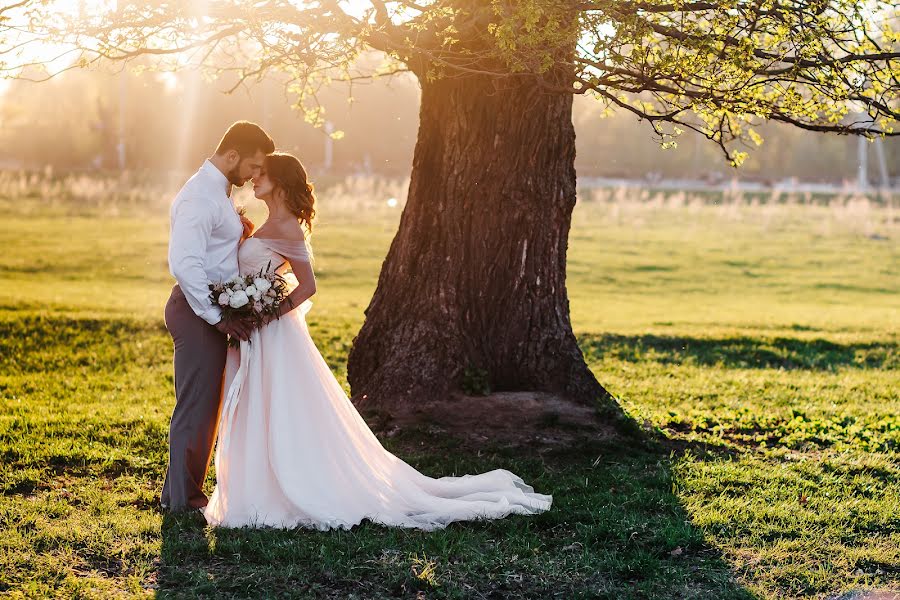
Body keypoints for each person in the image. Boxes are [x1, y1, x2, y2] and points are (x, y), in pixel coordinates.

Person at [203, 152, 552, 530]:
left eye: (262, 174)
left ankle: (286, 487)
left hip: (273, 333)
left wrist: (265, 315)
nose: (254, 179)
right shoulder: (265, 224)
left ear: (281, 182)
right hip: (256, 332)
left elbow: (308, 286)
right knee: (259, 406)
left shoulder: (287, 228)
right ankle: (256, 484)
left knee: (279, 407)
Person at [162, 121, 275, 512]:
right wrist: (216, 316)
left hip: (210, 310)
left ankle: (177, 494)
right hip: (196, 312)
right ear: (232, 156)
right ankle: (185, 501)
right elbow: (185, 263)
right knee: (196, 405)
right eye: (253, 166)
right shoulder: (199, 197)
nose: (254, 175)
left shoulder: (218, 193)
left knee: (204, 406)